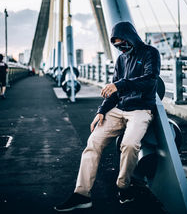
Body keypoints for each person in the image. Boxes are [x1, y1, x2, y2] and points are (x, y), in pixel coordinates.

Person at [54, 21, 161, 212]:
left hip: (141, 110)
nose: (121, 48)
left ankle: (123, 187)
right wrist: (101, 111)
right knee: (93, 143)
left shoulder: (150, 53)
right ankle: (82, 194)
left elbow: (150, 80)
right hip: (118, 109)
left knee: (129, 144)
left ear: (130, 37)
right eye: (117, 45)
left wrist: (121, 85)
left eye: (123, 43)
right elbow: (113, 91)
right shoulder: (121, 60)